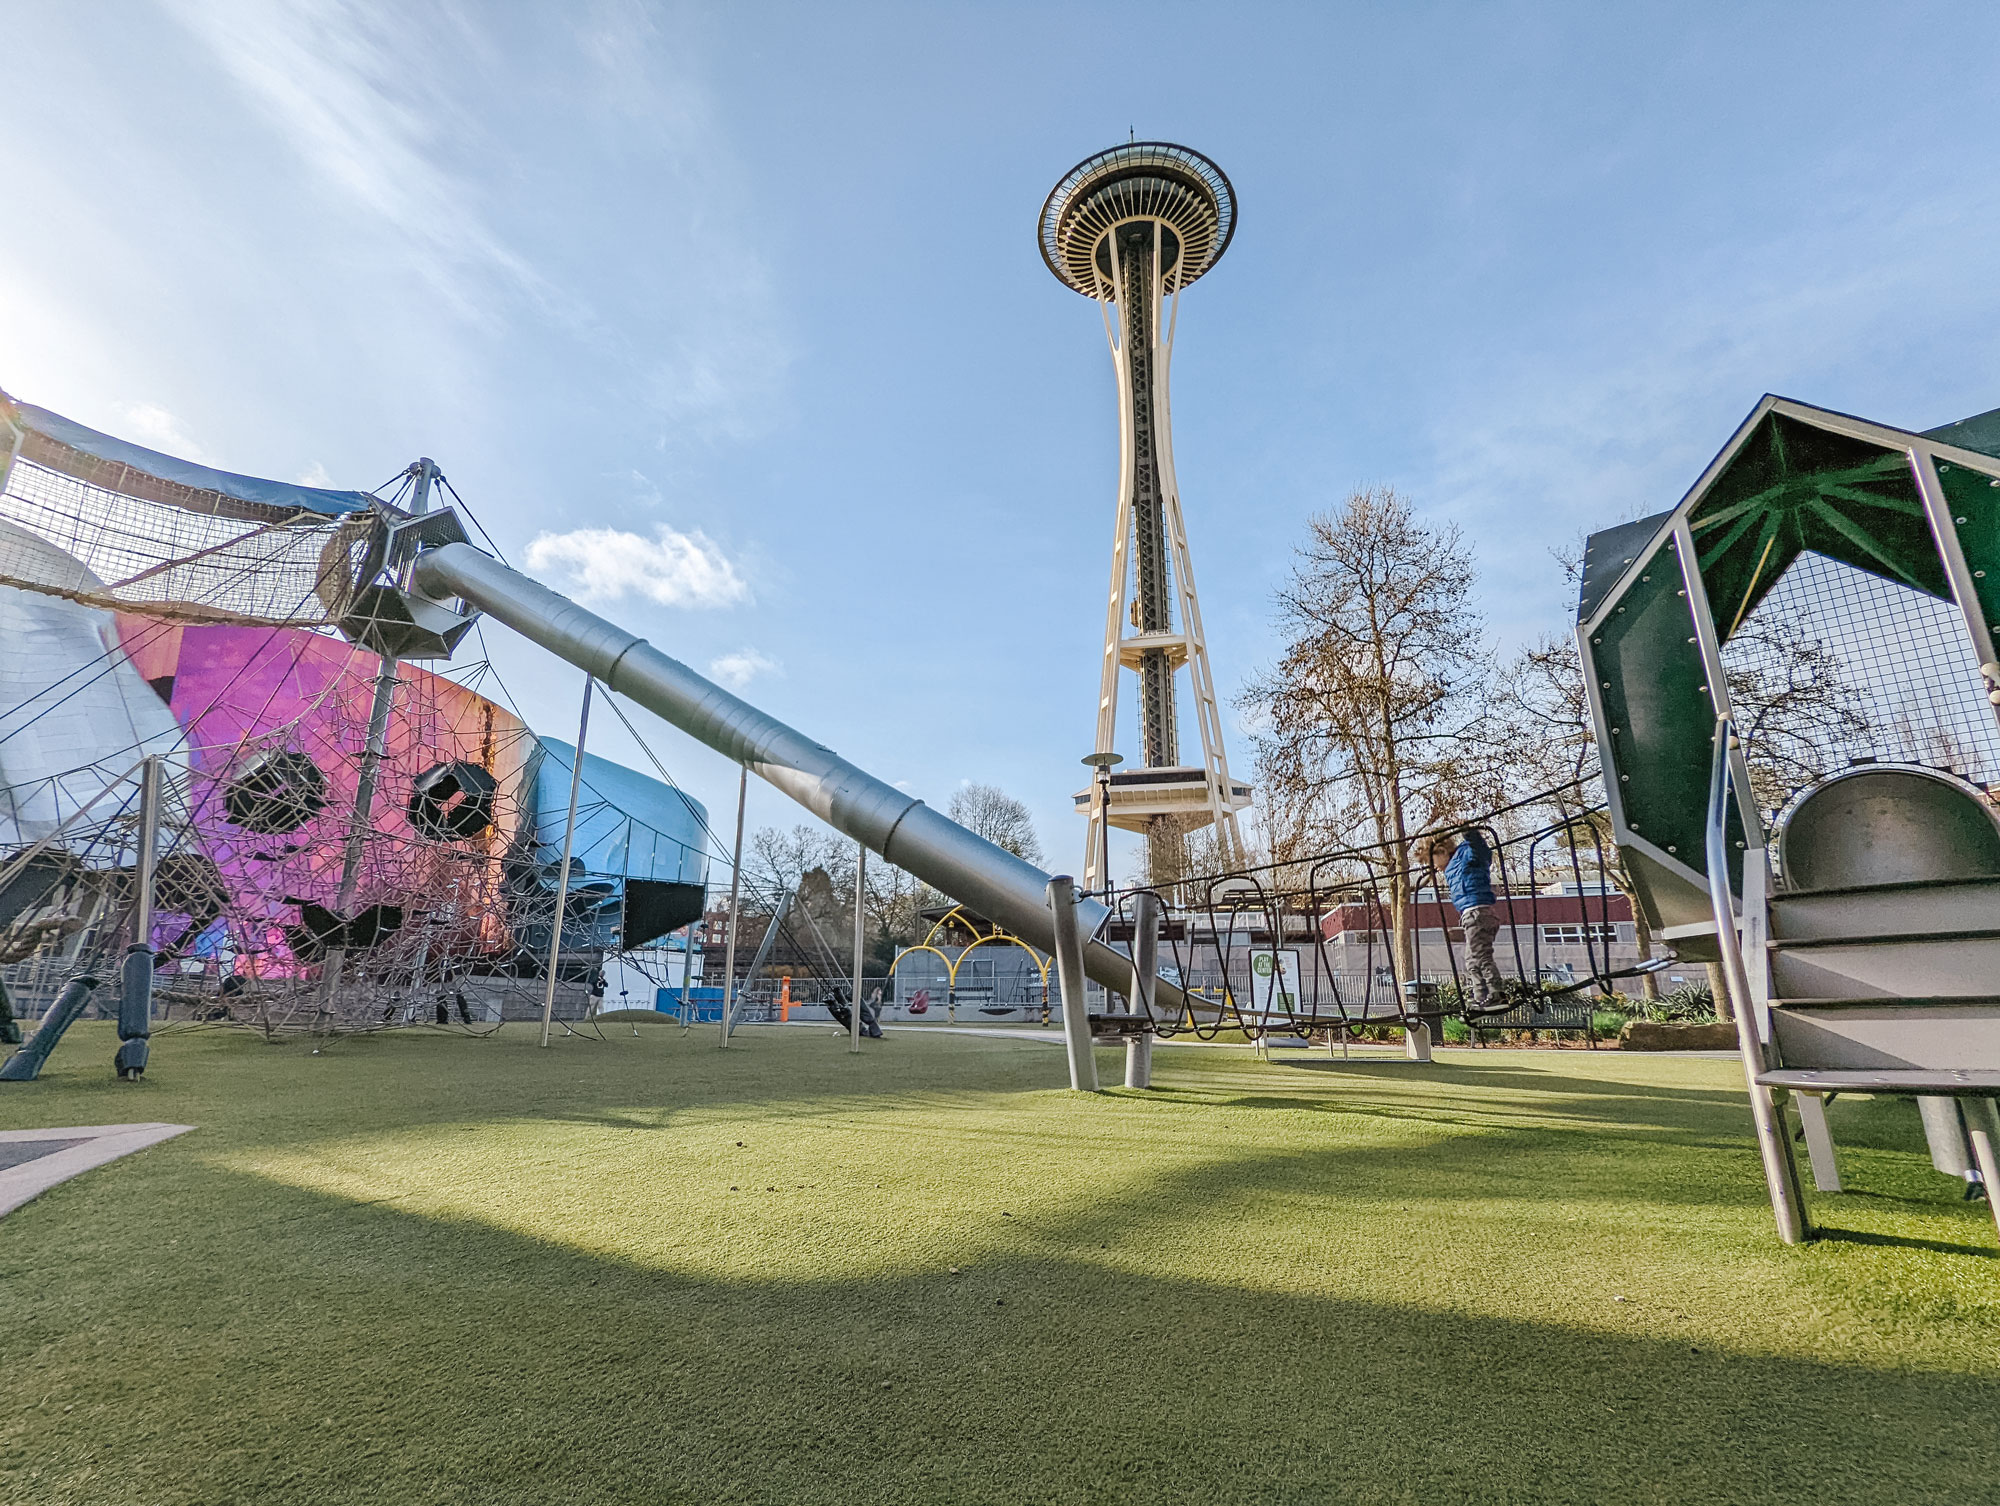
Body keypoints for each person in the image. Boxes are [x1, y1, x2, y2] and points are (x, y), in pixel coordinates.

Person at [1432, 829, 1504, 1015]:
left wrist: (1470, 834)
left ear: (1441, 852)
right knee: (1471, 959)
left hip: (1478, 912)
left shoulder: (1465, 853)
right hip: (1469, 914)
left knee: (1480, 955)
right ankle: (1480, 998)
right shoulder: (1451, 868)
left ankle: (1497, 993)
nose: (1434, 866)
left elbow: (1482, 852)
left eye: (1433, 860)